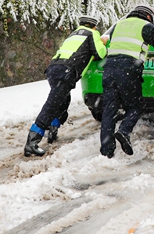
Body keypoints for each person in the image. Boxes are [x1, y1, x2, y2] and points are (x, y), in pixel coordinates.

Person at [24, 16, 107, 157]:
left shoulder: (73, 34)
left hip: (54, 69)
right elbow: (100, 54)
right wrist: (102, 43)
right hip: (66, 71)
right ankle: (32, 142)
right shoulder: (92, 34)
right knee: (52, 104)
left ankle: (53, 129)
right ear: (94, 26)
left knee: (62, 100)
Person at [99, 4, 154, 158]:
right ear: (148, 16)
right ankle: (124, 131)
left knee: (109, 109)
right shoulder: (146, 26)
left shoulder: (118, 25)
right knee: (135, 106)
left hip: (109, 67)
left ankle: (107, 151)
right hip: (128, 68)